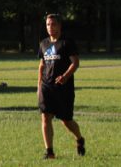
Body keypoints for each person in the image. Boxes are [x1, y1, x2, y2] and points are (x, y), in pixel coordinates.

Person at [38, 14, 86, 159]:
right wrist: (39, 86)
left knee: (66, 120)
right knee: (45, 117)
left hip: (63, 88)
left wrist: (65, 76)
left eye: (53, 24)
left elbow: (75, 63)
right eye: (47, 24)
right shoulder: (43, 44)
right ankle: (50, 152)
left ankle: (79, 138)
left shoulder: (67, 42)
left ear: (59, 26)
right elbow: (41, 65)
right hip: (47, 87)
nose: (50, 27)